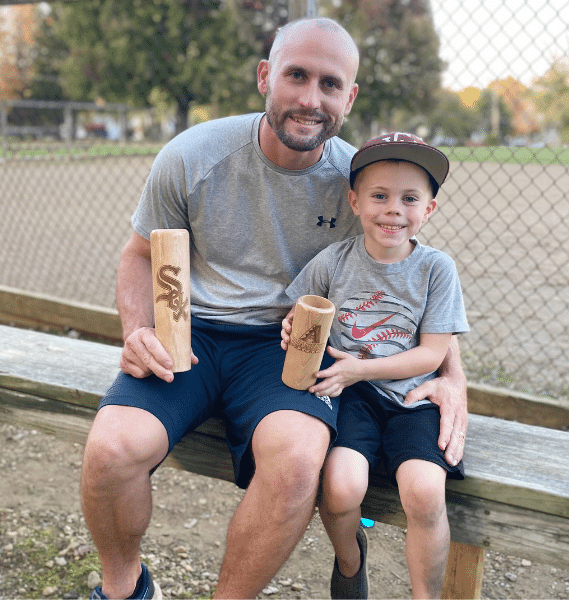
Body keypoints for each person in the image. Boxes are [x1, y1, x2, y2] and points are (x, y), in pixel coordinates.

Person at [80, 17, 469, 600]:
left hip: (288, 346)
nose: (311, 99)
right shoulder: (193, 155)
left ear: (350, 96)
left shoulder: (361, 183)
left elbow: (409, 275)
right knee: (112, 448)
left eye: (330, 84)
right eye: (296, 76)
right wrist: (139, 329)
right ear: (265, 76)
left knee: (295, 462)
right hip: (193, 332)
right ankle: (125, 590)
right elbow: (139, 254)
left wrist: (452, 377)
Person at [281, 132, 469, 599]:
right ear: (355, 202)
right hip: (354, 400)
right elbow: (300, 313)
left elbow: (431, 355)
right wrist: (294, 328)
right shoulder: (332, 262)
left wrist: (358, 369)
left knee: (424, 492)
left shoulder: (435, 269)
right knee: (342, 489)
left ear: (428, 209)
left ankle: (425, 594)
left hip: (413, 397)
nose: (393, 209)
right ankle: (350, 561)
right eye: (379, 195)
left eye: (410, 198)